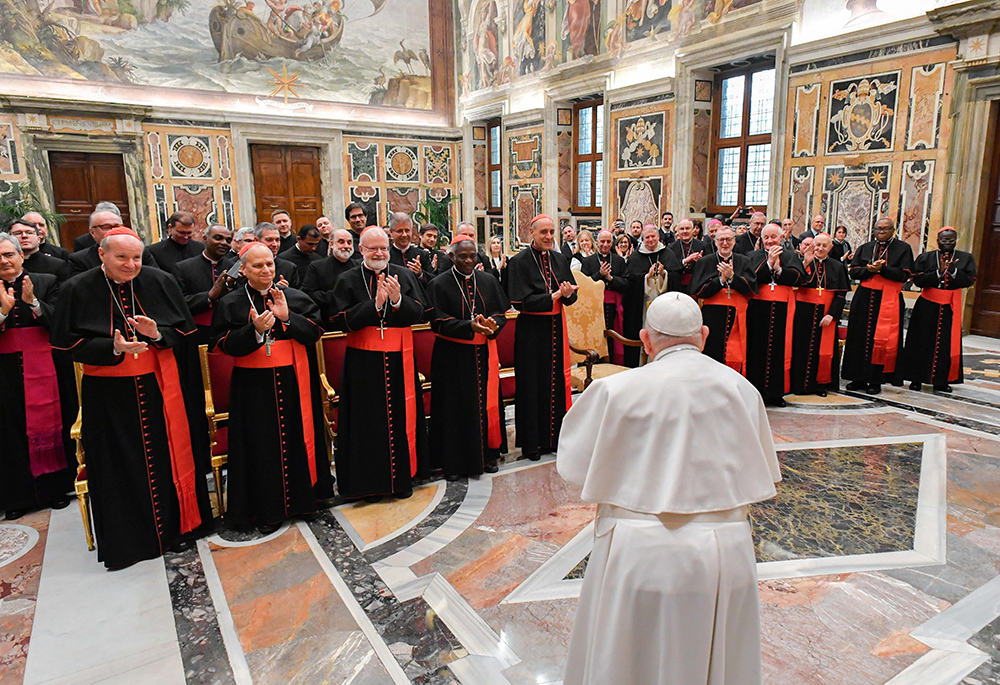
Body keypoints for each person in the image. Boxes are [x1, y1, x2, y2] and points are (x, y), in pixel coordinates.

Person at [557, 292, 781, 685]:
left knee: (629, 661)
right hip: (725, 551)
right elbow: (765, 467)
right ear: (705, 335)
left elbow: (573, 466)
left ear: (645, 339)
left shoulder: (615, 391)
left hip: (637, 552)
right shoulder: (743, 389)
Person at [51, 227, 213, 570]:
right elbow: (64, 348)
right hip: (110, 398)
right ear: (102, 254)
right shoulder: (76, 289)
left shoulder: (160, 281)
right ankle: (130, 540)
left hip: (159, 390)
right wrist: (111, 347)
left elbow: (184, 332)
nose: (130, 265)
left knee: (167, 455)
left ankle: (177, 527)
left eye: (136, 257)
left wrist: (158, 334)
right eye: (121, 257)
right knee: (117, 466)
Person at [210, 243, 329, 533]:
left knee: (299, 438)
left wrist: (288, 318)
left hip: (294, 381)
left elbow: (315, 333)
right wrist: (255, 332)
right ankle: (268, 509)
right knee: (260, 446)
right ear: (244, 270)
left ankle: (305, 501)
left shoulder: (296, 297)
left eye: (270, 265)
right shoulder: (232, 302)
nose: (266, 271)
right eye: (258, 266)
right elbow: (223, 345)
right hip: (253, 389)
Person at [331, 227, 428, 501]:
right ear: (361, 250)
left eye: (383, 248)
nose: (379, 253)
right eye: (372, 248)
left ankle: (402, 481)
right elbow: (338, 320)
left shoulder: (405, 275)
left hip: (400, 360)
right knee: (366, 422)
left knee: (402, 418)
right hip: (363, 364)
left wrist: (397, 300)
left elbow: (421, 313)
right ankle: (368, 485)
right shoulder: (347, 279)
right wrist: (373, 305)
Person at [0, 233, 74, 520]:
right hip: (5, 371)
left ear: (21, 256)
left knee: (52, 425)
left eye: (9, 254)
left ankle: (54, 490)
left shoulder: (46, 281)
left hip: (46, 366)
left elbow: (61, 321)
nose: (4, 261)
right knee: (10, 430)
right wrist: (3, 313)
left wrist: (34, 303)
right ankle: (18, 495)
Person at [426, 236, 510, 479]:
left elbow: (500, 312)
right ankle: (454, 463)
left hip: (484, 353)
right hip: (452, 357)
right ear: (452, 257)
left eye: (472, 256)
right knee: (454, 408)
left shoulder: (488, 280)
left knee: (486, 404)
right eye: (462, 256)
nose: (468, 261)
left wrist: (494, 324)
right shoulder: (439, 284)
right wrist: (468, 326)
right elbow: (437, 322)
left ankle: (488, 454)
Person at [507, 215, 578, 460]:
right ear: (532, 234)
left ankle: (555, 439)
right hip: (531, 332)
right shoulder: (518, 262)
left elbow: (571, 296)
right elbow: (518, 302)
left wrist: (566, 294)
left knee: (555, 383)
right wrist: (554, 295)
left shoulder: (560, 259)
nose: (548, 237)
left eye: (551, 232)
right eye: (543, 232)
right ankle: (533, 445)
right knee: (531, 385)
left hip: (556, 329)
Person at [843, 217, 915, 394]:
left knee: (881, 339)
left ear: (893, 230)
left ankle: (875, 380)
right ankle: (857, 378)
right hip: (864, 299)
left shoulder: (903, 248)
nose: (881, 232)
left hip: (888, 299)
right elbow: (853, 271)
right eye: (878, 229)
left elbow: (904, 275)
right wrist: (869, 270)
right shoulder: (866, 247)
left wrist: (882, 269)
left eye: (885, 229)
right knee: (858, 336)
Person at [904, 227, 977, 392]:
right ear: (937, 241)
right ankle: (916, 379)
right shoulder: (926, 257)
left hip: (950, 307)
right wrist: (938, 272)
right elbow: (918, 280)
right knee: (920, 341)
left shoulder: (965, 258)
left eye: (951, 240)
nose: (947, 243)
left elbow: (969, 281)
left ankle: (941, 381)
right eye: (944, 240)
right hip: (927, 305)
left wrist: (953, 272)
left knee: (946, 344)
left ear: (956, 240)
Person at [745, 224, 805, 406]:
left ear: (781, 238)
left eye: (773, 237)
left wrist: (779, 270)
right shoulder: (752, 256)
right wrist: (769, 264)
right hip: (757, 311)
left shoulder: (789, 256)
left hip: (782, 311)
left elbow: (799, 279)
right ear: (761, 240)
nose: (770, 241)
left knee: (779, 350)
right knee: (756, 350)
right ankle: (757, 392)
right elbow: (750, 280)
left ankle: (776, 393)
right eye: (766, 238)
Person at [791, 233, 850, 396]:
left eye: (825, 245)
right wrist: (806, 262)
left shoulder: (838, 267)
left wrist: (832, 315)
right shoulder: (800, 262)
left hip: (825, 314)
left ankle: (818, 386)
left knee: (821, 351)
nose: (820, 248)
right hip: (802, 313)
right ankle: (798, 385)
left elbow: (840, 294)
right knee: (800, 348)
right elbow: (794, 283)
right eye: (817, 245)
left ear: (831, 248)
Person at [691, 226, 756, 374]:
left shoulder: (744, 261)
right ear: (715, 242)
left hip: (737, 316)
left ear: (734, 241)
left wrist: (733, 277)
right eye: (721, 240)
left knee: (736, 352)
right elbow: (698, 291)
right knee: (712, 352)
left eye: (728, 239)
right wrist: (721, 280)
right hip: (712, 316)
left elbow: (750, 290)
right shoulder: (705, 262)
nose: (725, 243)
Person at [623, 226, 681, 367]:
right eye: (647, 237)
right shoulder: (635, 257)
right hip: (643, 303)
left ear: (658, 238)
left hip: (664, 302)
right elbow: (629, 281)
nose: (650, 240)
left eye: (653, 237)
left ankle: (663, 362)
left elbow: (676, 276)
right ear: (643, 239)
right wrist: (646, 278)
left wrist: (664, 275)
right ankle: (640, 365)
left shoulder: (668, 254)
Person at [172, 225, 235, 344]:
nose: (223, 243)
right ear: (205, 238)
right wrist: (209, 296)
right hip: (195, 332)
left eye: (228, 240)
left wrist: (230, 286)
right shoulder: (183, 268)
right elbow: (178, 302)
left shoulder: (233, 267)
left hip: (226, 331)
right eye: (218, 238)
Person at [580, 229, 628, 364]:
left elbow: (626, 283)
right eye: (602, 241)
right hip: (594, 307)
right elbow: (584, 284)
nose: (605, 244)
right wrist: (599, 274)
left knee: (612, 336)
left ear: (612, 243)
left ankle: (612, 363)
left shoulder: (619, 261)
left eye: (608, 241)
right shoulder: (588, 261)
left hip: (614, 307)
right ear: (597, 242)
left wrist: (611, 278)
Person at [69, 209, 159, 275]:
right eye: (106, 227)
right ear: (92, 232)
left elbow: (155, 278)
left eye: (117, 226)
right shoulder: (79, 260)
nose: (113, 231)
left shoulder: (142, 252)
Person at [303, 228, 362, 325]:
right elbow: (309, 294)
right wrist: (337, 296)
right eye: (341, 242)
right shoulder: (317, 266)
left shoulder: (359, 267)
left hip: (354, 321)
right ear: (331, 244)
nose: (346, 246)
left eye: (349, 242)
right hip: (326, 322)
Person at [388, 212, 433, 285]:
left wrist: (420, 274)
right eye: (400, 231)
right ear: (391, 232)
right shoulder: (386, 257)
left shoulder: (423, 255)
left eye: (407, 230)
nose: (404, 235)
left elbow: (433, 281)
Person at [255, 222, 301, 288]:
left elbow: (297, 295)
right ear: (256, 240)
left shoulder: (289, 268)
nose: (274, 244)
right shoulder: (245, 266)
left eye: (277, 240)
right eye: (269, 240)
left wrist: (286, 291)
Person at [667, 218, 706, 293]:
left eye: (687, 228)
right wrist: (685, 261)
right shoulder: (671, 248)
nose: (685, 231)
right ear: (678, 231)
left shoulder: (703, 246)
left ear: (692, 230)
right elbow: (670, 267)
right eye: (682, 229)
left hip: (697, 285)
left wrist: (701, 262)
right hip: (677, 285)